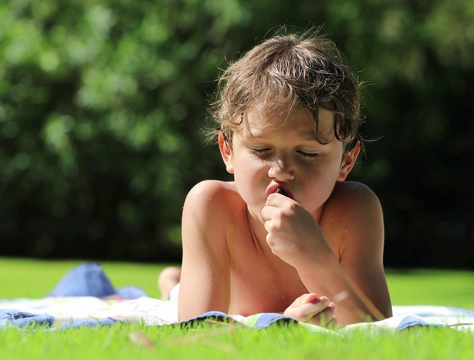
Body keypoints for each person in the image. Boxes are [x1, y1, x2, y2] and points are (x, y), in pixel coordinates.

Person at [158, 30, 392, 327]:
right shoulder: (213, 207)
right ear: (227, 150)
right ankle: (171, 284)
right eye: (261, 149)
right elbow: (199, 333)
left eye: (308, 153)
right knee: (178, 296)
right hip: (207, 294)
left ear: (346, 160)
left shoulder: (355, 210)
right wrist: (279, 325)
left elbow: (382, 331)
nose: (280, 169)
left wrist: (315, 258)